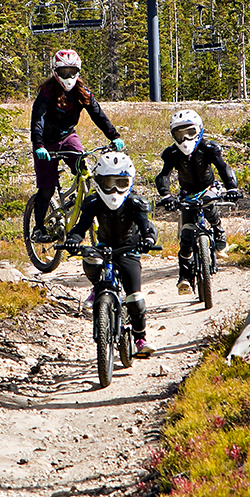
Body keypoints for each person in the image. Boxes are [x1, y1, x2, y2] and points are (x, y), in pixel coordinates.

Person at [63, 152, 157, 358]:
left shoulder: (135, 203)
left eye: (120, 182)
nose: (114, 190)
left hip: (129, 251)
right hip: (103, 248)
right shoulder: (93, 202)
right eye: (108, 182)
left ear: (129, 181)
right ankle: (98, 288)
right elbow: (81, 226)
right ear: (98, 182)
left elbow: (146, 226)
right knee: (89, 258)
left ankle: (140, 339)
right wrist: (73, 240)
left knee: (136, 299)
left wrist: (148, 240)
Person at [30, 49, 125, 242]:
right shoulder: (47, 92)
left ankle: (86, 206)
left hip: (67, 137)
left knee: (85, 170)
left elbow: (98, 115)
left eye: (72, 71)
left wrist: (114, 135)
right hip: (46, 143)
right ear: (56, 72)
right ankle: (38, 228)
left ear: (78, 71)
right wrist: (38, 144)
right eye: (64, 72)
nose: (68, 76)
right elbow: (37, 119)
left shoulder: (82, 92)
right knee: (47, 188)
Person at [154, 109, 238, 295]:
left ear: (199, 130)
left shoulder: (208, 148)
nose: (185, 139)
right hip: (187, 192)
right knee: (186, 235)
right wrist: (166, 196)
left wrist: (232, 188)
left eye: (190, 132)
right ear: (173, 135)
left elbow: (224, 168)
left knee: (209, 202)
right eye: (180, 134)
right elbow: (163, 176)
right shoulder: (172, 154)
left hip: (209, 187)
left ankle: (217, 228)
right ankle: (184, 278)